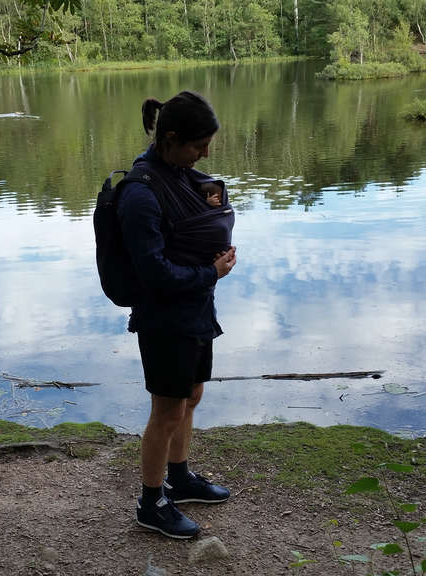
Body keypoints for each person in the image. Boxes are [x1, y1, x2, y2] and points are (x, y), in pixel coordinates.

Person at [117, 90, 237, 540]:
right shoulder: (140, 194)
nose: (205, 153)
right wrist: (210, 270)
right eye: (198, 144)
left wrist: (211, 267)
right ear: (170, 138)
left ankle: (180, 477)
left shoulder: (179, 174)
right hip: (164, 318)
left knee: (191, 396)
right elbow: (155, 275)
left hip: (196, 308)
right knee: (166, 410)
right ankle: (151, 503)